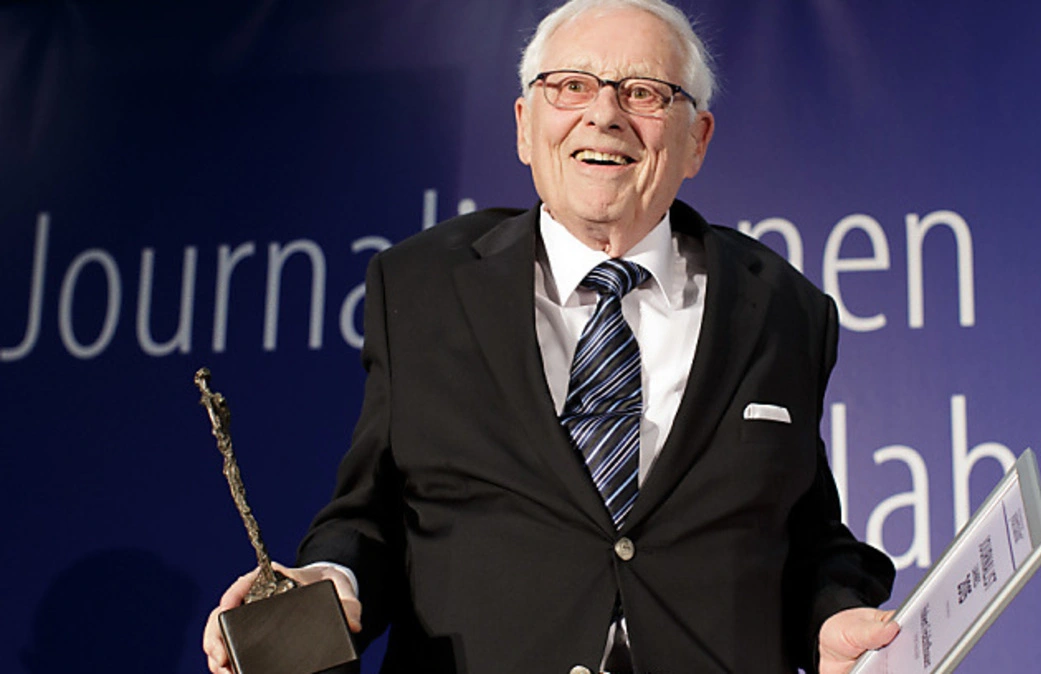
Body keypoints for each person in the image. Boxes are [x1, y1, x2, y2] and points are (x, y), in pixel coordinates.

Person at [203, 0, 898, 672]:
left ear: (697, 140)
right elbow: (371, 516)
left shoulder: (780, 306)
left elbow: (804, 534)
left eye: (644, 93)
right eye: (571, 86)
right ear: (524, 126)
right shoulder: (422, 287)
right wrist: (331, 581)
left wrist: (832, 615)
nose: (605, 114)